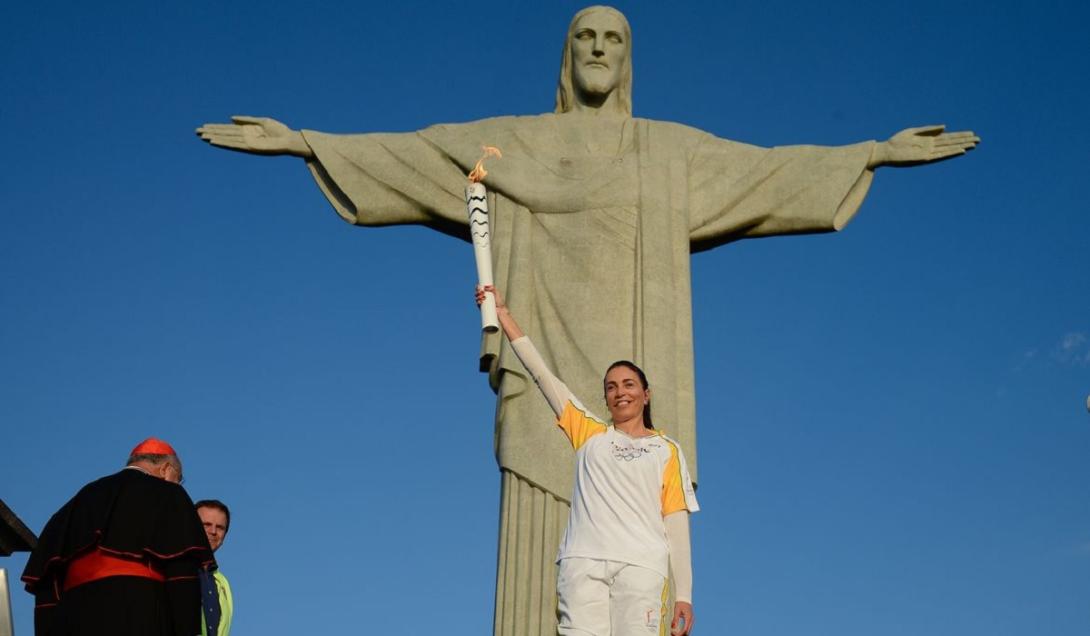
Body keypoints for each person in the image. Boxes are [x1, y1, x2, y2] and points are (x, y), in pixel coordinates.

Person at [197, 6, 978, 633]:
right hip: (546, 384)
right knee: (544, 564)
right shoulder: (511, 146)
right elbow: (414, 156)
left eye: (613, 38)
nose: (599, 48)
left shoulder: (667, 153)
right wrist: (305, 142)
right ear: (566, 56)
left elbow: (768, 169)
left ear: (628, 59)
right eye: (585, 37)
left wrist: (869, 153)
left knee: (642, 554)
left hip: (637, 371)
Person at [479, 284, 698, 636]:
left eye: (628, 384)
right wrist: (503, 316)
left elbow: (676, 523)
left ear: (645, 394)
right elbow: (542, 375)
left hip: (641, 567)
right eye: (611, 387)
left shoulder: (666, 450)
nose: (619, 392)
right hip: (583, 563)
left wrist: (684, 594)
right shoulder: (590, 433)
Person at [21, 438, 214, 635]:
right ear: (166, 469)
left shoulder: (78, 501)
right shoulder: (169, 493)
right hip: (140, 612)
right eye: (178, 477)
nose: (178, 484)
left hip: (73, 618)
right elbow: (181, 572)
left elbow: (46, 583)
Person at [196, 499, 233, 636]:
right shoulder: (175, 570)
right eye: (206, 525)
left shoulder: (222, 583)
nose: (213, 531)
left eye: (220, 527)